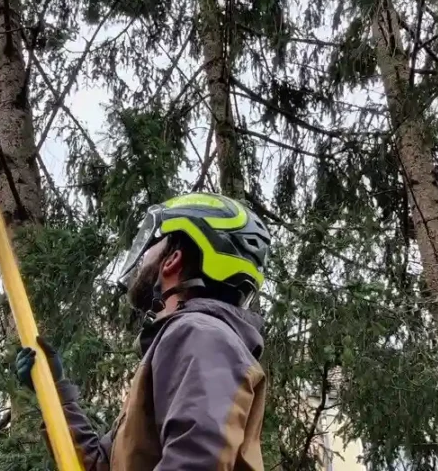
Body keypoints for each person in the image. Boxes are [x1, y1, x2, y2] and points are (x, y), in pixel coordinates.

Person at [16, 192, 271, 471]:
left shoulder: (202, 335)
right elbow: (101, 467)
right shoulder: (197, 341)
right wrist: (54, 391)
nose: (144, 255)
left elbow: (197, 462)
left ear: (172, 260)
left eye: (153, 244)